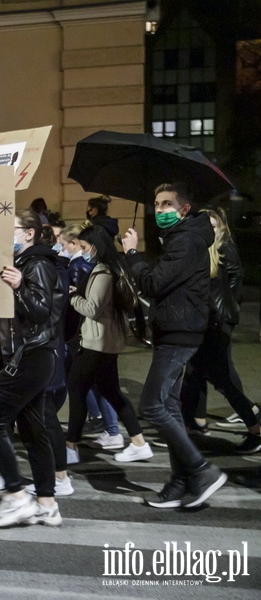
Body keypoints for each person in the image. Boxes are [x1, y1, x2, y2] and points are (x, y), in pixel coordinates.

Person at [121, 182, 227, 508]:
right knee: (168, 406)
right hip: (174, 329)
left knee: (152, 406)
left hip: (180, 332)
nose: (159, 210)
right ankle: (180, 482)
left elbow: (153, 283)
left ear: (183, 209)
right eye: (156, 203)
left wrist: (132, 254)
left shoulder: (186, 239)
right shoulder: (181, 238)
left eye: (167, 204)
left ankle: (201, 470)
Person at [0, 208, 64, 527]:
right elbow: (11, 318)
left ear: (29, 233)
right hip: (30, 353)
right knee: (33, 430)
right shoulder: (23, 264)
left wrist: (20, 285)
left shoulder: (37, 265)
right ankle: (47, 503)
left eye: (9, 228)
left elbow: (41, 313)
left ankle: (15, 496)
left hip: (33, 354)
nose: (3, 234)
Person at [64, 225, 153, 464]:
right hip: (107, 342)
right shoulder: (115, 268)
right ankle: (138, 442)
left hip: (96, 342)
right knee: (111, 392)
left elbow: (92, 308)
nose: (83, 252)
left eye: (84, 247)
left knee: (76, 389)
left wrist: (73, 296)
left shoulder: (103, 272)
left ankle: (70, 448)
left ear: (94, 246)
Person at [180, 208, 260, 454]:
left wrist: (227, 311)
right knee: (193, 375)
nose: (209, 229)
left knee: (223, 379)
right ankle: (192, 428)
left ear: (221, 226)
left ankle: (255, 427)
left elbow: (235, 281)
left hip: (217, 324)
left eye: (213, 225)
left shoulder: (223, 248)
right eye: (205, 224)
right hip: (204, 323)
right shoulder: (202, 251)